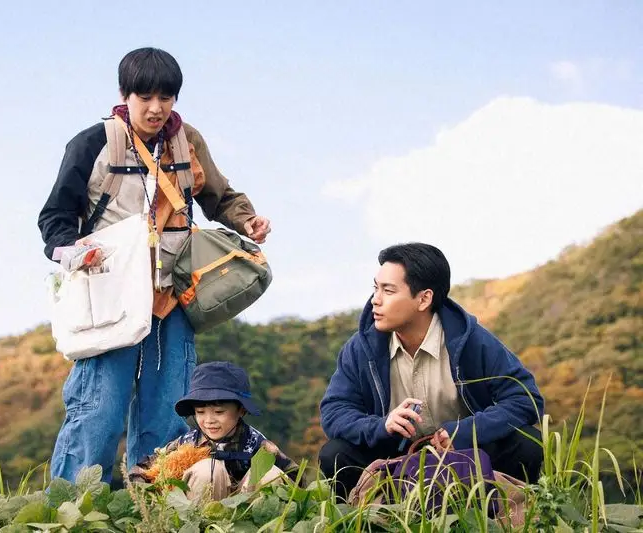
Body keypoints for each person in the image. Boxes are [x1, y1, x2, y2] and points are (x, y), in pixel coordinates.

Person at [38, 47, 271, 483]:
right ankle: (73, 505)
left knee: (169, 410)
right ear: (124, 95)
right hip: (110, 298)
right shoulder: (93, 143)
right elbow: (54, 217)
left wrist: (247, 220)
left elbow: (219, 196)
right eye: (145, 97)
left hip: (171, 295)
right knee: (99, 409)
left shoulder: (187, 141)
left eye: (166, 97)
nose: (156, 108)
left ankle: (157, 504)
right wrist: (71, 251)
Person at [318, 243, 544, 499]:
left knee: (527, 443)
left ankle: (504, 512)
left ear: (424, 299)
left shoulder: (471, 341)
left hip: (465, 455)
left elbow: (525, 399)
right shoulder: (361, 347)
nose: (375, 300)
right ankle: (363, 517)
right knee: (335, 454)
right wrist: (381, 426)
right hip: (391, 458)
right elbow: (334, 411)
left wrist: (464, 432)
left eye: (388, 291)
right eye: (375, 288)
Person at [129, 361, 299, 500]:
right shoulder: (188, 443)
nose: (209, 420)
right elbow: (144, 470)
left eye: (219, 412)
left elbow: (295, 476)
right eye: (200, 412)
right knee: (207, 471)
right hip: (199, 512)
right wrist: (151, 499)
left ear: (241, 410)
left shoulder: (257, 443)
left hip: (246, 510)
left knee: (270, 474)